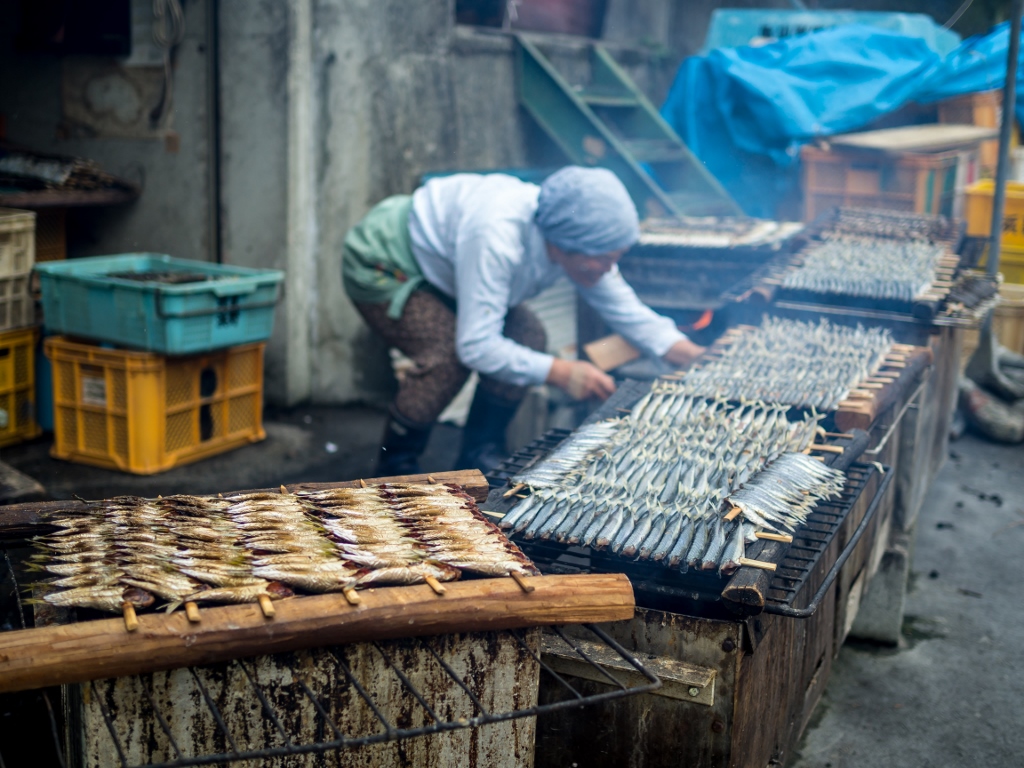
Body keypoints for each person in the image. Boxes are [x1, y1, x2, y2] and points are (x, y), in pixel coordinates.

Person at [342, 166, 705, 476]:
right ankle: (394, 472)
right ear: (564, 244)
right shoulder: (496, 236)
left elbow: (624, 307)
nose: (609, 269)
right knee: (447, 356)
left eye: (616, 258)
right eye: (604, 259)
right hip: (387, 262)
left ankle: (478, 458)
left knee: (527, 335)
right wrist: (562, 372)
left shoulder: (580, 244)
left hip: (449, 269)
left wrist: (688, 353)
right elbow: (476, 346)